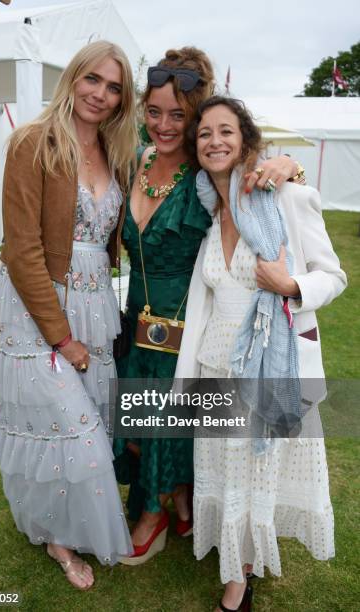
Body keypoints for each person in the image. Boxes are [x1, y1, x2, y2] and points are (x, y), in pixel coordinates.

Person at [113, 47, 302, 565]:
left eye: (179, 115)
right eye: (154, 112)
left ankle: (153, 514)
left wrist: (290, 164)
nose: (164, 125)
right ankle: (180, 499)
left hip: (187, 324)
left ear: (196, 118)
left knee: (169, 425)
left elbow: (254, 170)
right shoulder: (134, 161)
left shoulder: (208, 174)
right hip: (135, 319)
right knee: (135, 426)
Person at [175, 96, 347, 611]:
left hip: (267, 365)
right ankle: (237, 553)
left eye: (226, 131)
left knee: (255, 467)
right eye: (204, 134)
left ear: (245, 140)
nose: (215, 141)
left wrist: (291, 283)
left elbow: (334, 275)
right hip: (213, 364)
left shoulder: (286, 200)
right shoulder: (209, 213)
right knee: (228, 470)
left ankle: (239, 580)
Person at [0, 41, 138, 590]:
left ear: (124, 97)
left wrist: (280, 165)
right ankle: (56, 536)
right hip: (38, 305)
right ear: (72, 78)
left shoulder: (120, 149)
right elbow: (21, 249)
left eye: (114, 86)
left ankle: (70, 525)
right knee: (70, 431)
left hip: (96, 301)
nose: (100, 93)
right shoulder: (32, 142)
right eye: (92, 79)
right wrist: (61, 335)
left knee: (86, 422)